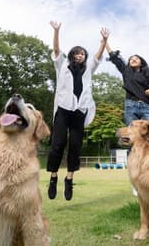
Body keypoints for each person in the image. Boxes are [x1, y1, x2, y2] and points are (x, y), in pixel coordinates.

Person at [47, 21, 110, 200]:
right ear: (72, 56)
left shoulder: (88, 69)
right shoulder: (62, 66)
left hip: (79, 111)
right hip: (63, 110)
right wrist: (57, 31)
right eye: (77, 53)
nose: (80, 56)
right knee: (57, 144)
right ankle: (53, 178)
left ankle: (69, 179)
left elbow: (97, 57)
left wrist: (104, 42)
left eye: (82, 53)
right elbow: (57, 50)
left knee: (75, 146)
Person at [105, 42, 149, 126]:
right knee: (132, 132)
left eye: (136, 58)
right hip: (131, 105)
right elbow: (115, 58)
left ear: (141, 63)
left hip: (146, 106)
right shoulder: (126, 71)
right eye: (131, 59)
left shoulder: (148, 77)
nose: (133, 59)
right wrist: (105, 42)